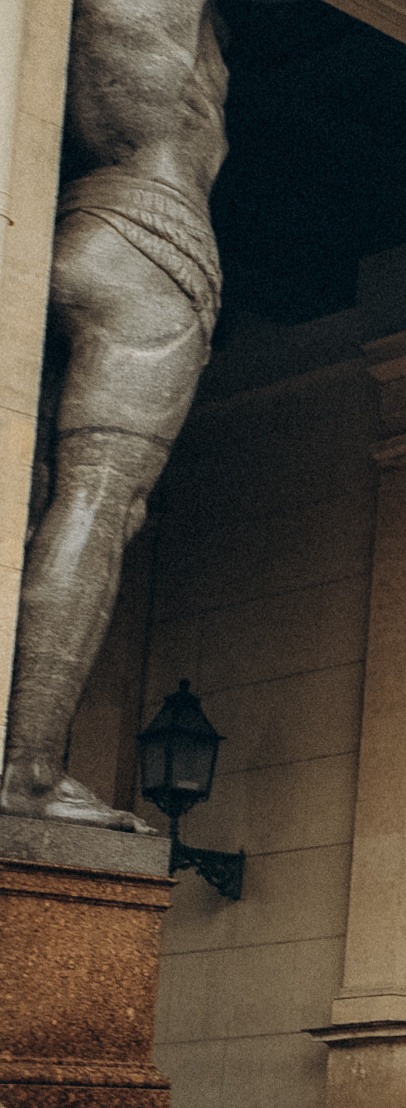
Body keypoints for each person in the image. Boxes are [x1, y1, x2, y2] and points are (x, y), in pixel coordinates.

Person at [2, 0, 228, 828]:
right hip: (155, 232)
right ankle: (26, 765)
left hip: (82, 213)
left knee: (40, 487)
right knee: (102, 500)